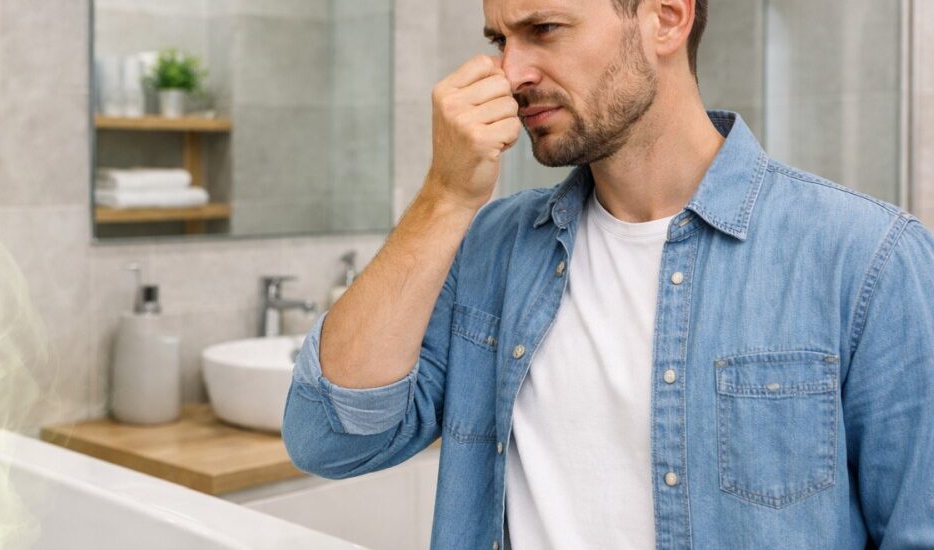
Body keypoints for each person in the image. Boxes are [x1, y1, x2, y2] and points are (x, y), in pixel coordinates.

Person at [281, 0, 934, 548]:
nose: (510, 72)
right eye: (499, 40)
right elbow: (328, 440)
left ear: (667, 19)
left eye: (544, 30)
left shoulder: (870, 261)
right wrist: (445, 198)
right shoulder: (492, 249)